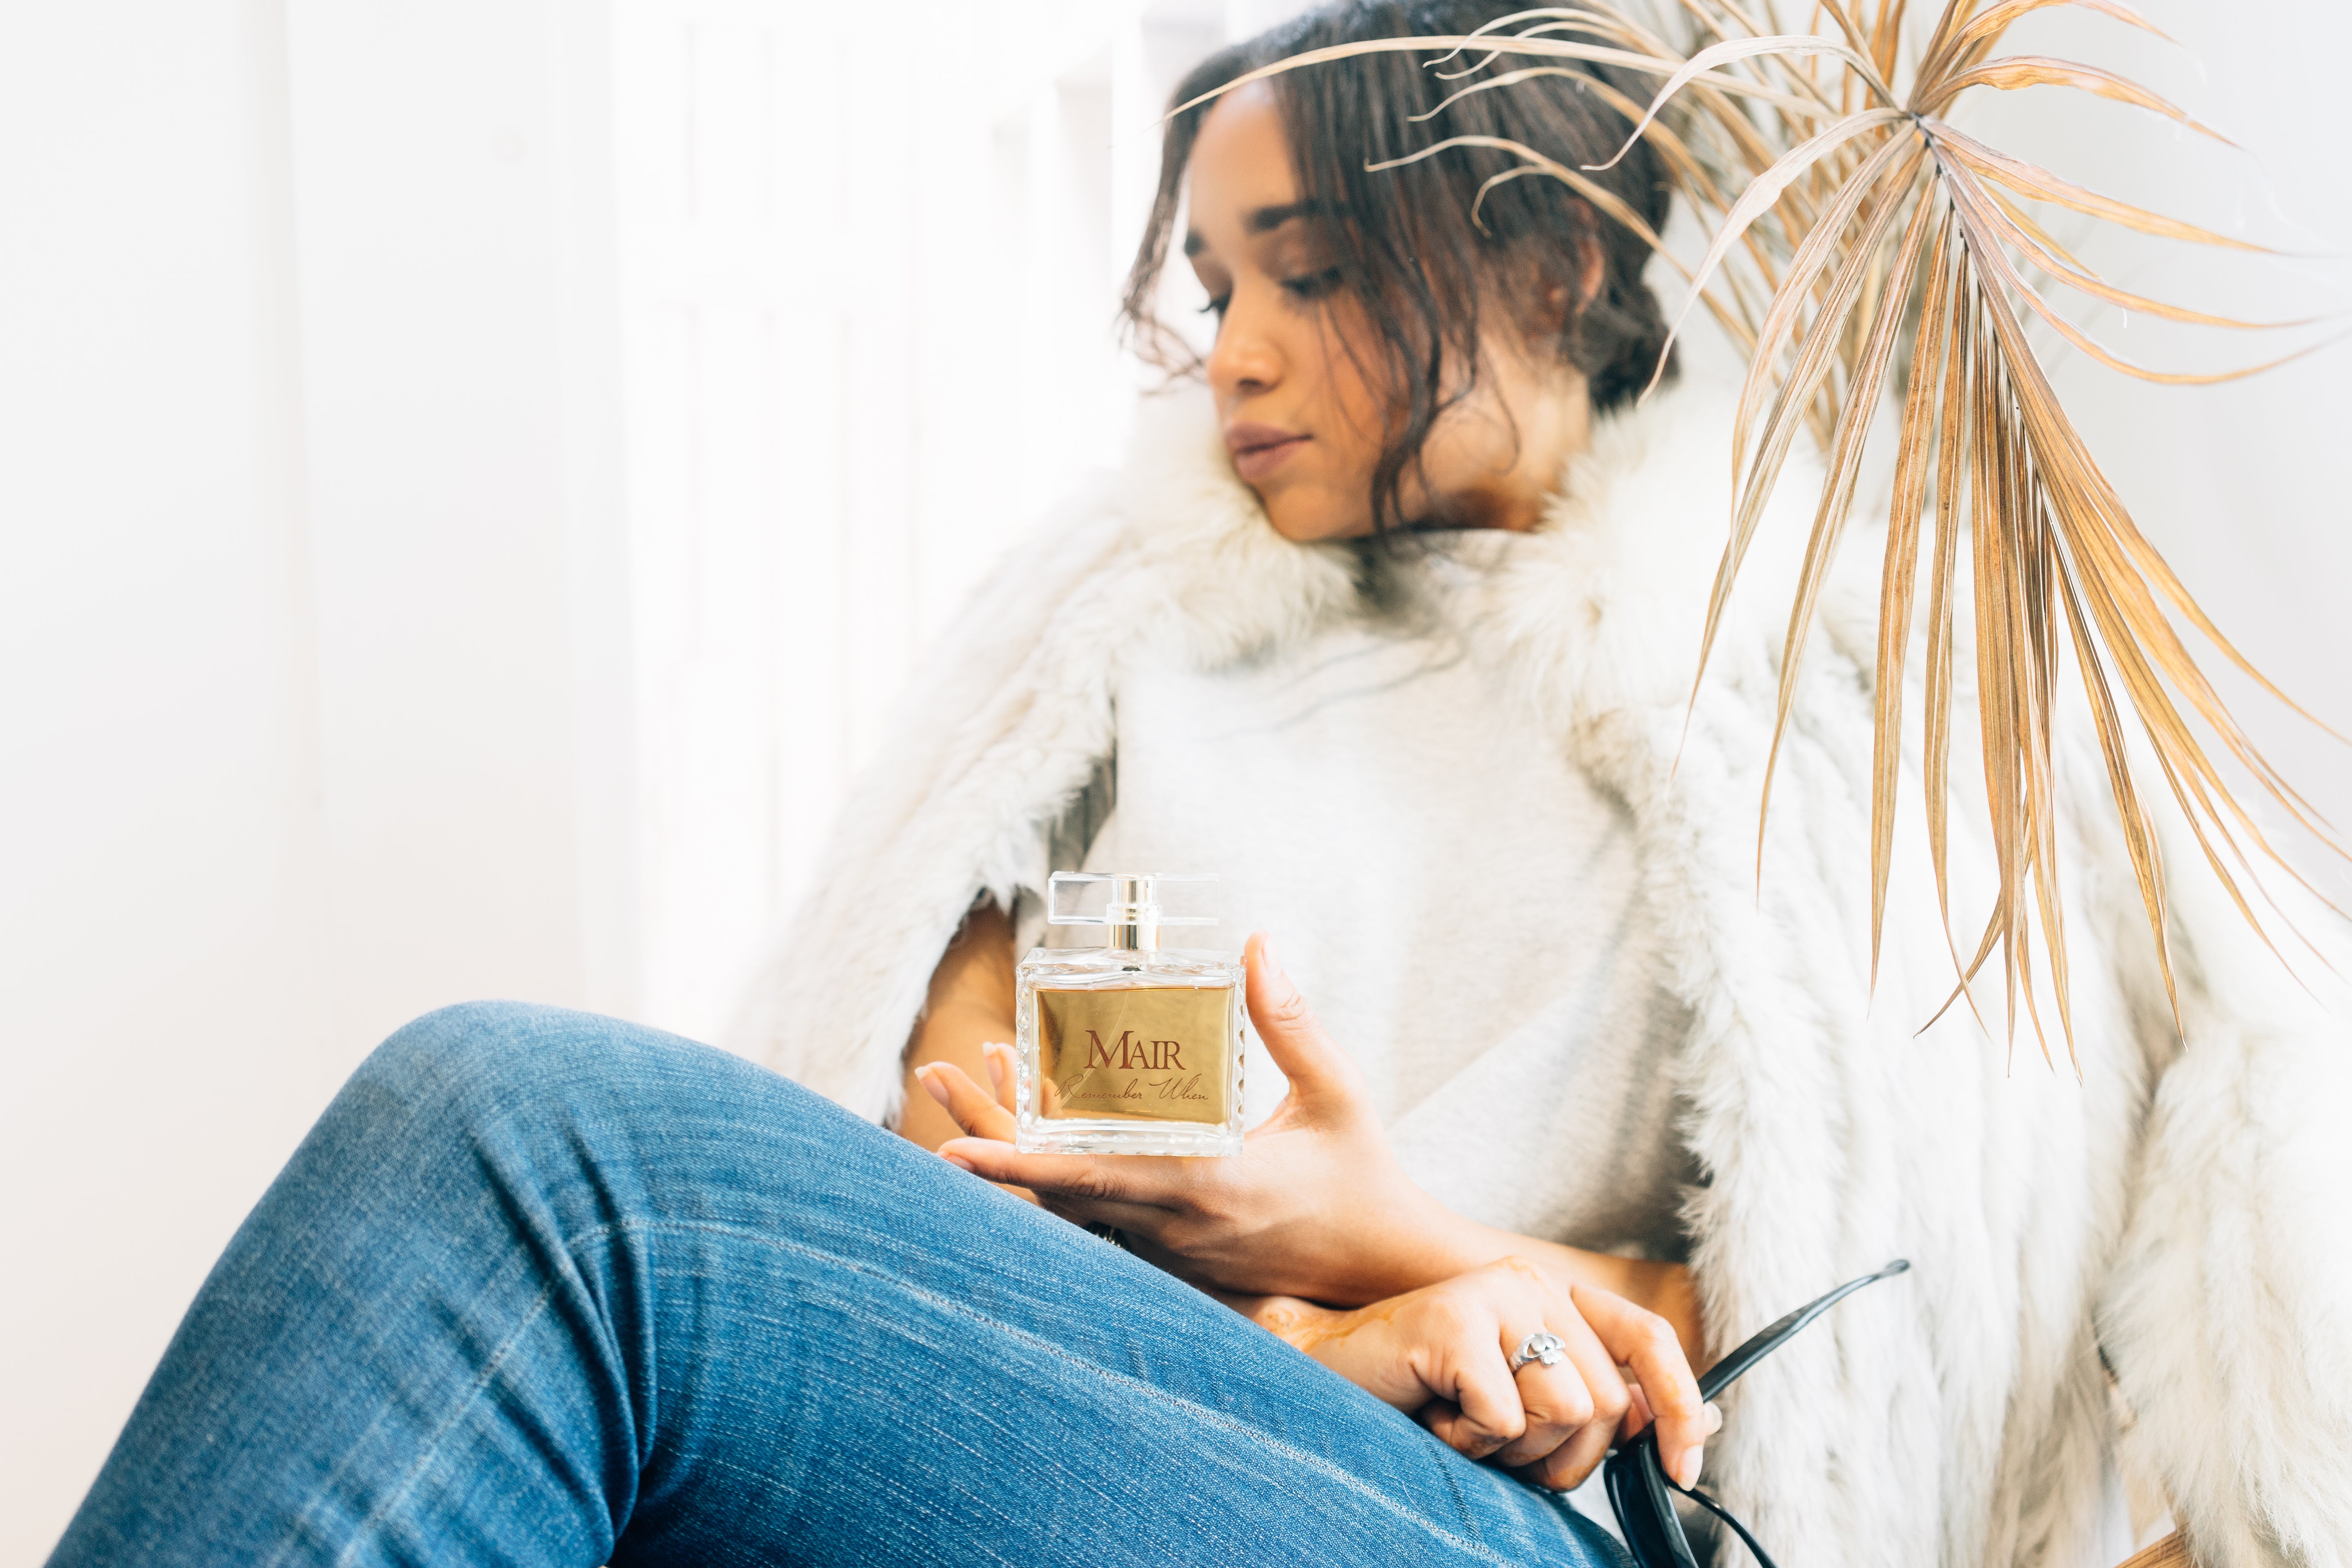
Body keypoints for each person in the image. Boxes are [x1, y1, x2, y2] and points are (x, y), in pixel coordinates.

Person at [52, 2, 2352, 1565]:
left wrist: (1403, 1251)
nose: (1234, 353)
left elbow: (1892, 1402)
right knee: (552, 1192)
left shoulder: (1825, 708)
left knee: (533, 1152)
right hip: (1183, 1432)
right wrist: (1297, 1320)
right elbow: (954, 1207)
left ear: (1550, 258)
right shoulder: (1124, 664)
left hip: (1528, 1530)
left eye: (1317, 274)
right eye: (1210, 283)